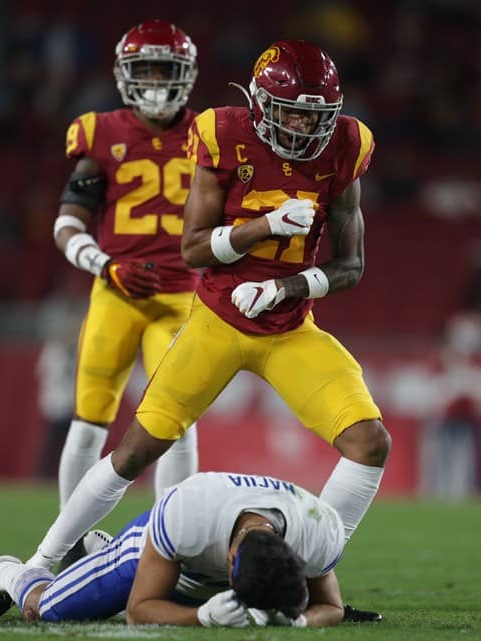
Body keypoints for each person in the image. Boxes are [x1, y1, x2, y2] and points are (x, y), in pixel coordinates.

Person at [27, 41, 390, 586]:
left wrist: (284, 288)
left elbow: (352, 265)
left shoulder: (346, 145)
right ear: (262, 103)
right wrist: (263, 227)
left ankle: (307, 575)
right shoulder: (225, 134)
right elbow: (194, 249)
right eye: (292, 110)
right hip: (217, 321)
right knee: (134, 452)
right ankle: (42, 562)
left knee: (370, 443)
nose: (302, 126)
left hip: (290, 328)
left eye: (315, 116)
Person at [51, 21, 201, 550]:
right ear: (124, 75)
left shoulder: (210, 134)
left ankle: (172, 544)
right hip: (117, 292)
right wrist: (106, 264)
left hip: (182, 296)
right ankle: (70, 544)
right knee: (90, 418)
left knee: (176, 423)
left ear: (187, 76)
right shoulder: (100, 132)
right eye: (147, 70)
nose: (157, 83)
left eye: (168, 71)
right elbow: (66, 225)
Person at [0, 471, 345, 627]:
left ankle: (91, 555)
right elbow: (140, 610)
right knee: (46, 610)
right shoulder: (190, 512)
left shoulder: (318, 529)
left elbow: (333, 606)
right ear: (230, 559)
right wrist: (200, 616)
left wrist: (301, 622)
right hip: (159, 555)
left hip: (204, 558)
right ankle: (3, 573)